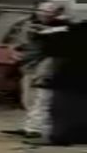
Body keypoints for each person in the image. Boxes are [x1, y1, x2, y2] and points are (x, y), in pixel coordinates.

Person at [3, 1, 64, 139]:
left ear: (57, 13)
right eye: (42, 10)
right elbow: (12, 42)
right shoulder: (26, 24)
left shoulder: (61, 27)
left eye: (49, 12)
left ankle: (37, 129)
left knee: (41, 98)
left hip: (46, 66)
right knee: (27, 97)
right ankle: (30, 126)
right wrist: (13, 51)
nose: (45, 14)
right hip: (27, 65)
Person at [33, 15, 87, 146]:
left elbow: (50, 46)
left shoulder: (73, 32)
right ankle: (80, 137)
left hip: (70, 78)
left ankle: (60, 136)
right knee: (80, 110)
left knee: (62, 109)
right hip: (78, 80)